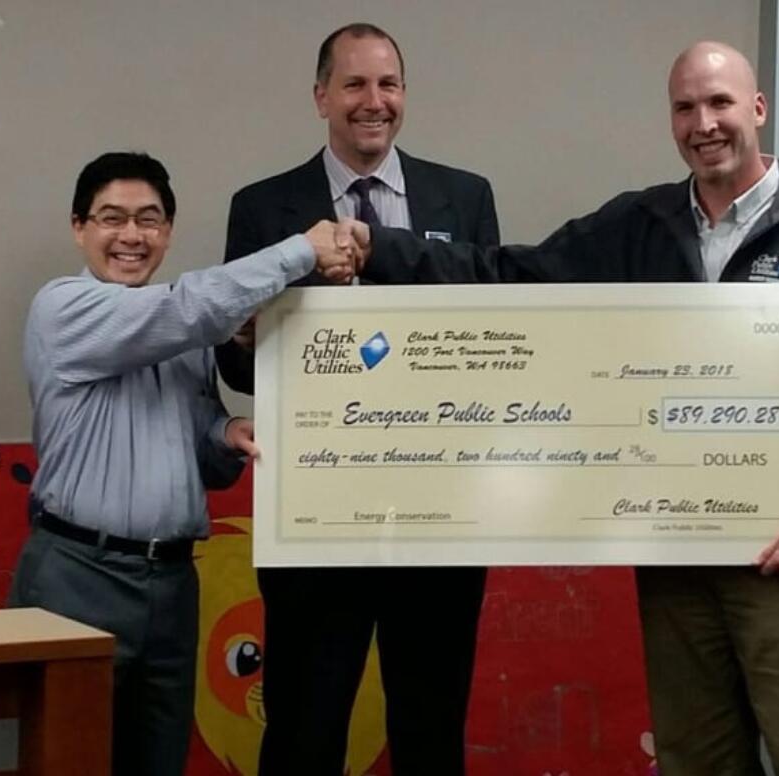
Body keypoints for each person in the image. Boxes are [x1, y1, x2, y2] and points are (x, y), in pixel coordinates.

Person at [352, 41, 779, 776]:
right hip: (675, 562)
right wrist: (378, 249)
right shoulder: (638, 227)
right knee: (695, 758)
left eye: (719, 103)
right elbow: (509, 274)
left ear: (757, 108)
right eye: (685, 107)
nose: (703, 123)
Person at [8, 151, 360, 776]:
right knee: (68, 759)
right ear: (79, 227)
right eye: (112, 218)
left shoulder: (183, 337)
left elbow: (201, 443)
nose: (131, 236)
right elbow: (186, 309)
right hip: (75, 576)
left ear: (168, 231)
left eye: (149, 219)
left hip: (171, 585)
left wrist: (227, 433)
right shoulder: (62, 307)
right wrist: (301, 250)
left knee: (158, 761)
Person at [213, 22, 499, 776]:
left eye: (389, 84)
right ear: (320, 97)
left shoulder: (465, 199)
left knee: (431, 735)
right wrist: (243, 337)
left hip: (438, 520)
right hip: (313, 521)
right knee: (304, 735)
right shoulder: (263, 207)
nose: (374, 102)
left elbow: (495, 338)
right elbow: (236, 370)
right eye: (355, 85)